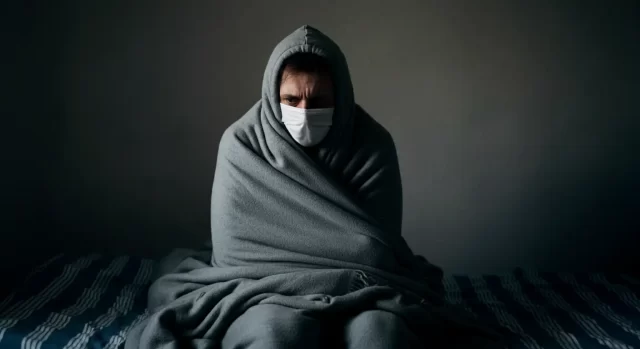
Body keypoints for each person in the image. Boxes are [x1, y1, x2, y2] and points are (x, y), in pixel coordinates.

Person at [125, 25, 504, 349]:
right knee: (275, 335)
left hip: (366, 294)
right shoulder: (241, 144)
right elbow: (237, 253)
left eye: (318, 100)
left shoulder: (372, 145)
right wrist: (337, 260)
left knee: (382, 335)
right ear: (273, 98)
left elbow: (376, 254)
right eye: (291, 99)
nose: (304, 111)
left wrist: (337, 264)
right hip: (260, 291)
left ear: (340, 99)